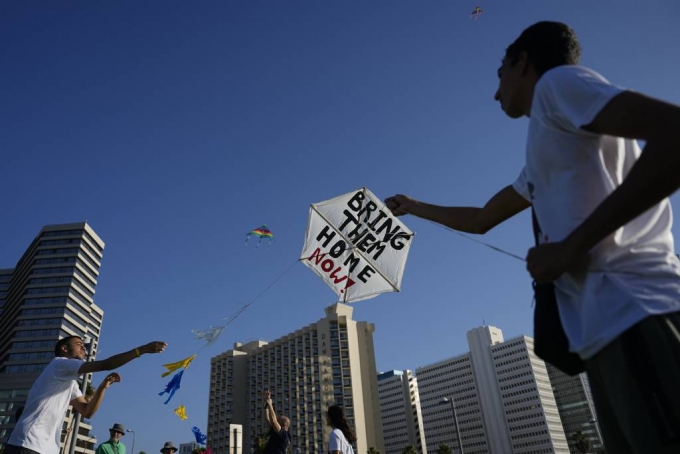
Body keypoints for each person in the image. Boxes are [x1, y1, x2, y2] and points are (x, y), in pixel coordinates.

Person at [385, 20, 680, 454]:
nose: (496, 90)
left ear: (523, 62)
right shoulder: (549, 139)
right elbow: (484, 217)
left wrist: (570, 247)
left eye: (499, 72)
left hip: (634, 313)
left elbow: (673, 133)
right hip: (603, 336)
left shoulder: (558, 86)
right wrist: (414, 207)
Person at [6, 336, 167, 454]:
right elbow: (107, 364)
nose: (84, 348)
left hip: (46, 449)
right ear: (64, 349)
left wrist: (103, 387)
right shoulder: (59, 364)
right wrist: (142, 350)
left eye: (84, 346)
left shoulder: (69, 383)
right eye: (79, 344)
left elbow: (87, 411)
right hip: (27, 444)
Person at [262, 390, 291, 454]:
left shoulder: (284, 435)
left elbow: (273, 420)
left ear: (283, 425)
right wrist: (266, 402)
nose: (277, 420)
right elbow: (267, 418)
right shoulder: (276, 432)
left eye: (278, 420)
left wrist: (270, 404)